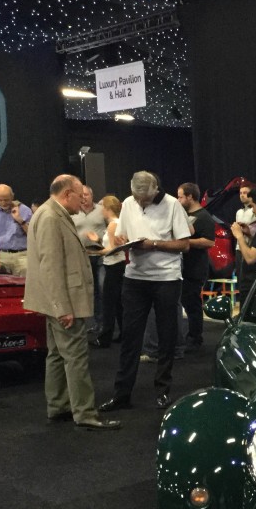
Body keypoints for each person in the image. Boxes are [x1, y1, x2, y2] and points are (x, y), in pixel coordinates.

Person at [23, 174, 119, 431]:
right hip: (64, 301)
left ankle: (58, 405)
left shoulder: (49, 213)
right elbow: (51, 267)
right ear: (67, 194)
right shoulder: (52, 217)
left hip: (54, 300)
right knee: (75, 356)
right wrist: (62, 307)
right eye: (81, 196)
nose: (85, 201)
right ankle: (85, 412)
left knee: (56, 355)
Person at [99, 171, 191, 412]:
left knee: (166, 335)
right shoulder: (129, 203)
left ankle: (162, 390)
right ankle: (122, 394)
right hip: (135, 277)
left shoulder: (172, 205)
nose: (140, 202)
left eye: (145, 198)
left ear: (156, 189)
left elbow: (184, 244)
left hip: (166, 279)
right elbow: (125, 235)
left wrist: (153, 244)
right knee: (130, 337)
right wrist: (121, 240)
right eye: (136, 197)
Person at [178, 182, 216, 352]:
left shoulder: (204, 217)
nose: (178, 200)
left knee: (192, 303)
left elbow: (209, 241)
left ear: (190, 197)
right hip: (183, 267)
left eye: (180, 196)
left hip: (196, 268)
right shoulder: (184, 214)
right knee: (186, 301)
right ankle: (189, 335)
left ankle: (195, 338)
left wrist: (184, 242)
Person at [86, 195, 126, 348]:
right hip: (116, 265)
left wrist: (95, 251)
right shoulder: (116, 223)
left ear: (108, 209)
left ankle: (104, 338)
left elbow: (113, 249)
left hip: (113, 266)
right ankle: (123, 334)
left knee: (109, 304)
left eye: (103, 208)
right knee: (117, 304)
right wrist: (97, 241)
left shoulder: (112, 225)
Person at [71, 185, 107, 330]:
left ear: (92, 196)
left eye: (86, 194)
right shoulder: (74, 212)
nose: (84, 197)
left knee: (102, 288)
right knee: (88, 292)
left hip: (101, 255)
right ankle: (93, 323)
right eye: (81, 195)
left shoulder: (101, 210)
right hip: (82, 256)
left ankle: (104, 323)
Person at [0, 184, 32, 275]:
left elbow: (33, 236)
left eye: (6, 200)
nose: (3, 203)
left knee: (25, 286)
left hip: (22, 256)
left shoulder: (25, 210)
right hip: (0, 256)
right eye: (0, 200)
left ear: (12, 196)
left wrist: (20, 221)